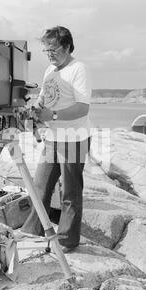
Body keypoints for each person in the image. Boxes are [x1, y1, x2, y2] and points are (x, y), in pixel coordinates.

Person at [20, 26, 92, 253]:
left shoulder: (78, 69)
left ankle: (66, 241)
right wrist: (35, 111)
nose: (49, 54)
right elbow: (44, 98)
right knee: (39, 188)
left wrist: (52, 115)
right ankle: (32, 231)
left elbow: (82, 108)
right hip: (52, 138)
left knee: (69, 193)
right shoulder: (50, 70)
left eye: (53, 49)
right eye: (46, 50)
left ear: (67, 46)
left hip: (74, 139)